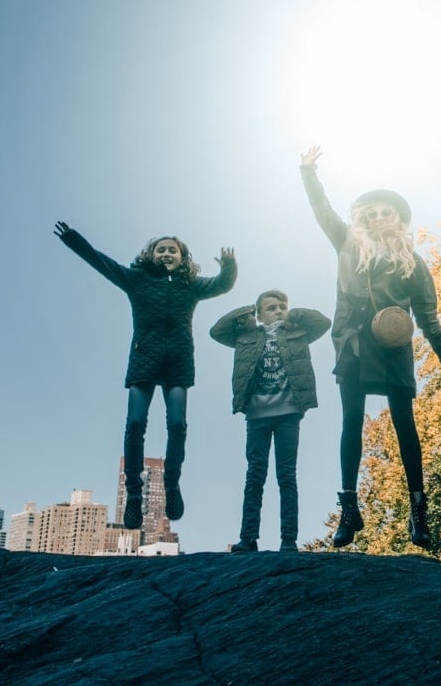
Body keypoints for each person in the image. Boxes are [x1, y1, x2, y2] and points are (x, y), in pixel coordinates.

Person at [299, 146, 441, 550]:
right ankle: (349, 509)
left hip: (393, 344)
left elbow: (429, 317)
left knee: (405, 423)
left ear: (399, 219)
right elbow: (322, 209)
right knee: (351, 419)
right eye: (370, 212)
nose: (378, 216)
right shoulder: (348, 244)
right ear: (361, 219)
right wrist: (308, 171)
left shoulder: (414, 262)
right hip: (353, 341)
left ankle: (418, 510)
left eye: (386, 211)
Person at [55, 221, 236, 528]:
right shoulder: (136, 280)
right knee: (136, 423)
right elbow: (102, 262)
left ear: (182, 257)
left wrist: (229, 267)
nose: (167, 253)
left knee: (177, 424)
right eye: (161, 249)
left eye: (172, 250)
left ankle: (171, 485)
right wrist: (74, 240)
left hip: (178, 362)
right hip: (143, 361)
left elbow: (222, 284)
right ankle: (134, 495)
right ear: (151, 255)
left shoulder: (190, 285)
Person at [210, 290, 331, 553]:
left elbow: (323, 323)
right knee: (255, 477)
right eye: (271, 308)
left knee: (286, 476)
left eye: (282, 307)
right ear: (259, 313)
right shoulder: (247, 336)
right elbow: (217, 331)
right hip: (257, 416)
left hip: (288, 412)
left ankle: (288, 540)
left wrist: (295, 315)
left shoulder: (296, 332)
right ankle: (248, 538)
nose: (278, 311)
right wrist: (247, 315)